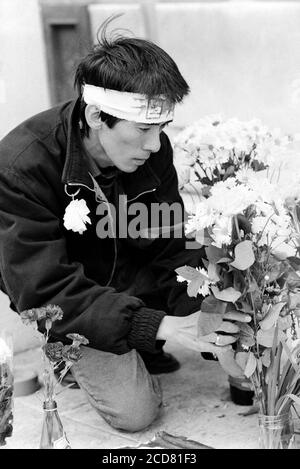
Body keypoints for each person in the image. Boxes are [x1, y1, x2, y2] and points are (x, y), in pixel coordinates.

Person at [0, 22, 250, 432]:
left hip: (129, 271)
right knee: (136, 413)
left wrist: (208, 319)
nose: (156, 145)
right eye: (144, 130)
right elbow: (43, 289)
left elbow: (169, 240)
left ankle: (135, 335)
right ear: (97, 115)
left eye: (162, 129)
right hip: (70, 296)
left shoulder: (152, 151)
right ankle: (71, 348)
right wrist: (161, 326)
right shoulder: (20, 167)